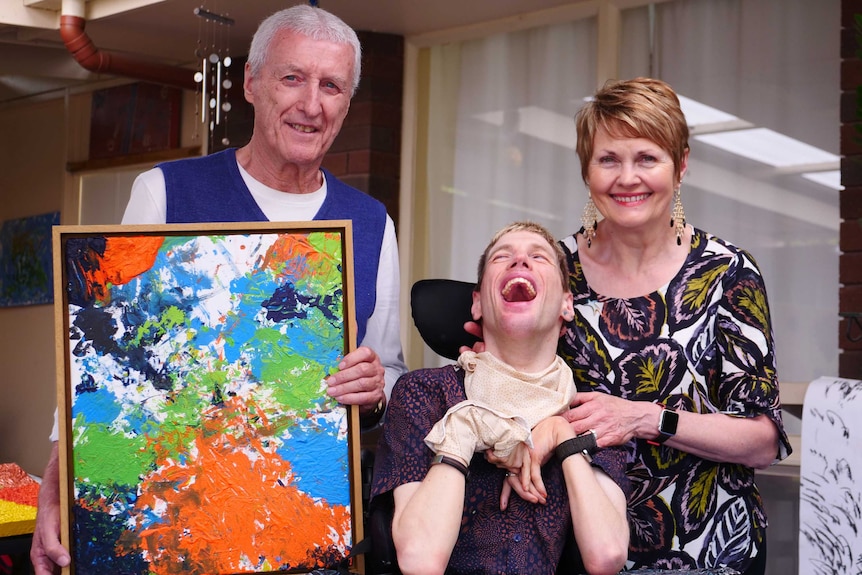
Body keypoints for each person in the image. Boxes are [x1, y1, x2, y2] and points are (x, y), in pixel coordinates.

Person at [31, 5, 407, 575]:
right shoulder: (163, 193)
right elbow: (97, 365)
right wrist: (57, 493)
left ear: (347, 102)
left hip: (303, 534)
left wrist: (375, 389)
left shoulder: (372, 223)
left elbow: (391, 377)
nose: (312, 104)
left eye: (331, 85)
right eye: (292, 78)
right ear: (251, 84)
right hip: (167, 525)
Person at [454, 77, 791, 575]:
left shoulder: (727, 274)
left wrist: (646, 419)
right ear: (587, 171)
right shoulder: (551, 269)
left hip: (709, 549)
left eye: (647, 158)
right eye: (608, 159)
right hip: (574, 545)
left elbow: (762, 440)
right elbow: (501, 379)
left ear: (681, 165)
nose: (626, 178)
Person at [371, 221, 631, 575]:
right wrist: (464, 425)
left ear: (566, 306)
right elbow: (419, 560)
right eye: (502, 256)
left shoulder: (588, 414)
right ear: (477, 303)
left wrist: (562, 435)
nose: (520, 261)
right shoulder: (424, 393)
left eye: (538, 257)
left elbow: (606, 556)